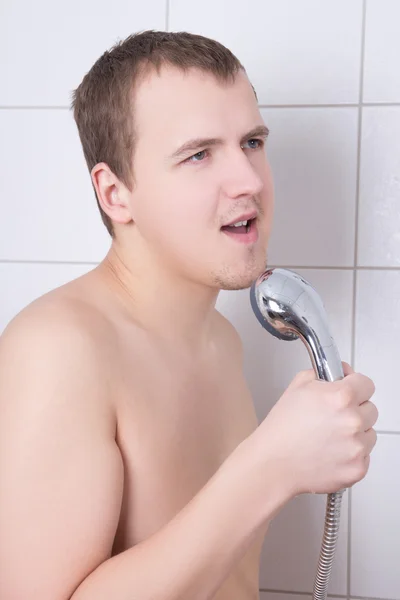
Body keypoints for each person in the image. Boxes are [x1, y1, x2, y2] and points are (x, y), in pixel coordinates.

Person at [0, 30, 378, 600]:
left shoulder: (222, 341)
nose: (250, 181)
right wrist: (270, 467)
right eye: (199, 154)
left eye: (252, 142)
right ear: (115, 194)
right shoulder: (58, 349)